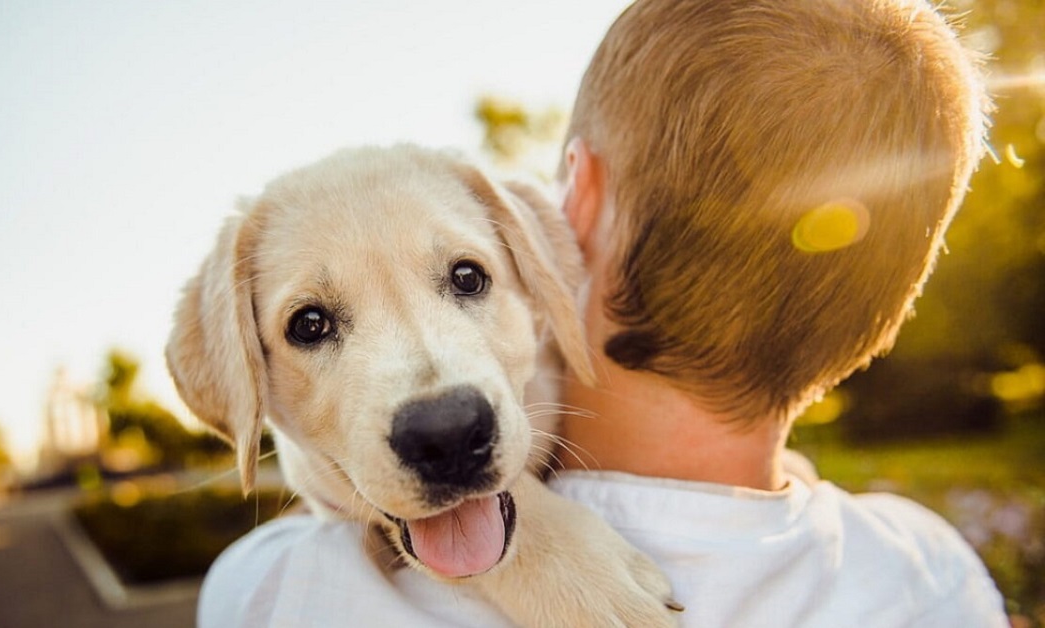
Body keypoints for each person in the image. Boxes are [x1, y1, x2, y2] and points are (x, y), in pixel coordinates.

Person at [197, 0, 1009, 625]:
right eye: (313, 326)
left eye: (467, 279)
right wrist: (525, 543)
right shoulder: (933, 575)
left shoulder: (272, 592)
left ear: (573, 204)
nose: (437, 400)